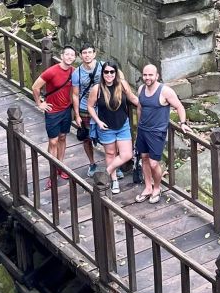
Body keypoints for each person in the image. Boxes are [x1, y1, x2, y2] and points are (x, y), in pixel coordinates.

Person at [134, 64, 190, 204]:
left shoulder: (165, 91)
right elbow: (140, 108)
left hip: (157, 133)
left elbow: (179, 106)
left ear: (157, 76)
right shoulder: (141, 89)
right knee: (144, 158)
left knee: (154, 163)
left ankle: (157, 188)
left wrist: (183, 123)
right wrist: (138, 127)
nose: (147, 77)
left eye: (150, 75)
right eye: (145, 75)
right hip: (142, 130)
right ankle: (148, 187)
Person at [87, 60, 139, 195]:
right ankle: (114, 180)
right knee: (110, 153)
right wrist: (98, 121)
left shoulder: (122, 85)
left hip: (122, 124)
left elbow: (132, 98)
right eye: (106, 72)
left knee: (127, 154)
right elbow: (90, 106)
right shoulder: (97, 89)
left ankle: (106, 172)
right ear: (102, 73)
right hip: (105, 126)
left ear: (116, 73)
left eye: (112, 72)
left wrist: (149, 104)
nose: (109, 74)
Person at [31, 45, 77, 188]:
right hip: (52, 111)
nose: (69, 57)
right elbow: (35, 87)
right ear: (62, 55)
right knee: (53, 141)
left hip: (66, 110)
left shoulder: (74, 72)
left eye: (72, 55)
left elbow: (76, 91)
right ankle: (52, 173)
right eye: (67, 54)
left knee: (63, 137)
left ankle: (60, 167)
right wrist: (39, 103)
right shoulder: (52, 71)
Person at [71, 43, 103, 176]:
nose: (87, 55)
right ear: (80, 55)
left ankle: (114, 164)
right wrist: (77, 115)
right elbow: (75, 94)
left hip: (102, 107)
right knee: (87, 138)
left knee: (108, 136)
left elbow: (118, 79)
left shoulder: (103, 66)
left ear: (94, 54)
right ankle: (92, 163)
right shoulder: (77, 73)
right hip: (85, 107)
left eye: (90, 52)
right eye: (84, 53)